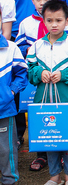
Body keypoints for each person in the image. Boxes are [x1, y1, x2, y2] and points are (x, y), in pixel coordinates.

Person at [15, 0, 68, 170]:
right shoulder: (26, 23)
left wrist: (64, 73)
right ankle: (42, 156)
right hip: (40, 83)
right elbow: (20, 48)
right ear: (32, 0)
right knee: (42, 119)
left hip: (63, 85)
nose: (42, 3)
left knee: (64, 121)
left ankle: (66, 157)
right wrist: (30, 54)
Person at [26, 0, 68, 185]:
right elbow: (30, 71)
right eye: (49, 20)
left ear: (67, 21)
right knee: (50, 142)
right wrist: (39, 73)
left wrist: (63, 75)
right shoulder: (37, 46)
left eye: (59, 20)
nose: (54, 24)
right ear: (43, 21)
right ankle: (54, 176)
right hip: (45, 104)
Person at [0, 10, 27, 185]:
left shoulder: (10, 48)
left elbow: (22, 73)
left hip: (4, 110)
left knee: (6, 150)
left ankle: (9, 180)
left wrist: (11, 92)